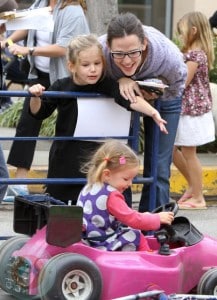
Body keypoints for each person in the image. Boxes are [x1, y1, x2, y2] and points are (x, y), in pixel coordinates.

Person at [28, 34, 168, 204]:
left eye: (97, 63)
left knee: (103, 208)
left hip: (100, 162)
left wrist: (152, 112)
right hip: (66, 162)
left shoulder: (107, 84)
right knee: (64, 213)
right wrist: (35, 96)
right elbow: (39, 112)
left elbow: (129, 99)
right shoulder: (61, 86)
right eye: (86, 65)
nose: (93, 69)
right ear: (71, 66)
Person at [98, 12, 187, 211]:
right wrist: (119, 80)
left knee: (159, 166)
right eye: (119, 54)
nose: (127, 61)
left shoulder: (166, 55)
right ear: (108, 47)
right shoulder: (100, 51)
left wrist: (157, 92)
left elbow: (178, 84)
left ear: (144, 43)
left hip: (165, 98)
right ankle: (121, 217)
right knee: (119, 162)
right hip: (122, 97)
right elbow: (84, 75)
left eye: (133, 52)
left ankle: (154, 222)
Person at [1, 0, 89, 196]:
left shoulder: (72, 10)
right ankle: (19, 183)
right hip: (40, 74)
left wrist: (29, 50)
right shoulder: (41, 3)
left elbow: (65, 47)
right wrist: (7, 42)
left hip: (64, 77)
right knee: (27, 123)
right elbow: (29, 27)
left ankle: (65, 185)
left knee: (67, 128)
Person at [77, 139, 174, 251]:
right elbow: (133, 219)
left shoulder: (90, 187)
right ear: (107, 174)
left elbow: (123, 215)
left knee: (127, 230)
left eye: (132, 179)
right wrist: (156, 218)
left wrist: (146, 215)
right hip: (103, 243)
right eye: (126, 179)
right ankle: (148, 261)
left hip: (89, 240)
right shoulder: (111, 196)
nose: (130, 184)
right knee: (136, 235)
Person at [173, 12, 215, 210]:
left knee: (189, 153)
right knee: (174, 150)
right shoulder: (194, 53)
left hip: (192, 112)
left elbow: (183, 81)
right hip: (189, 111)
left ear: (193, 31)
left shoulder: (195, 55)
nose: (180, 36)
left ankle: (198, 197)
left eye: (182, 32)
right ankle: (193, 186)